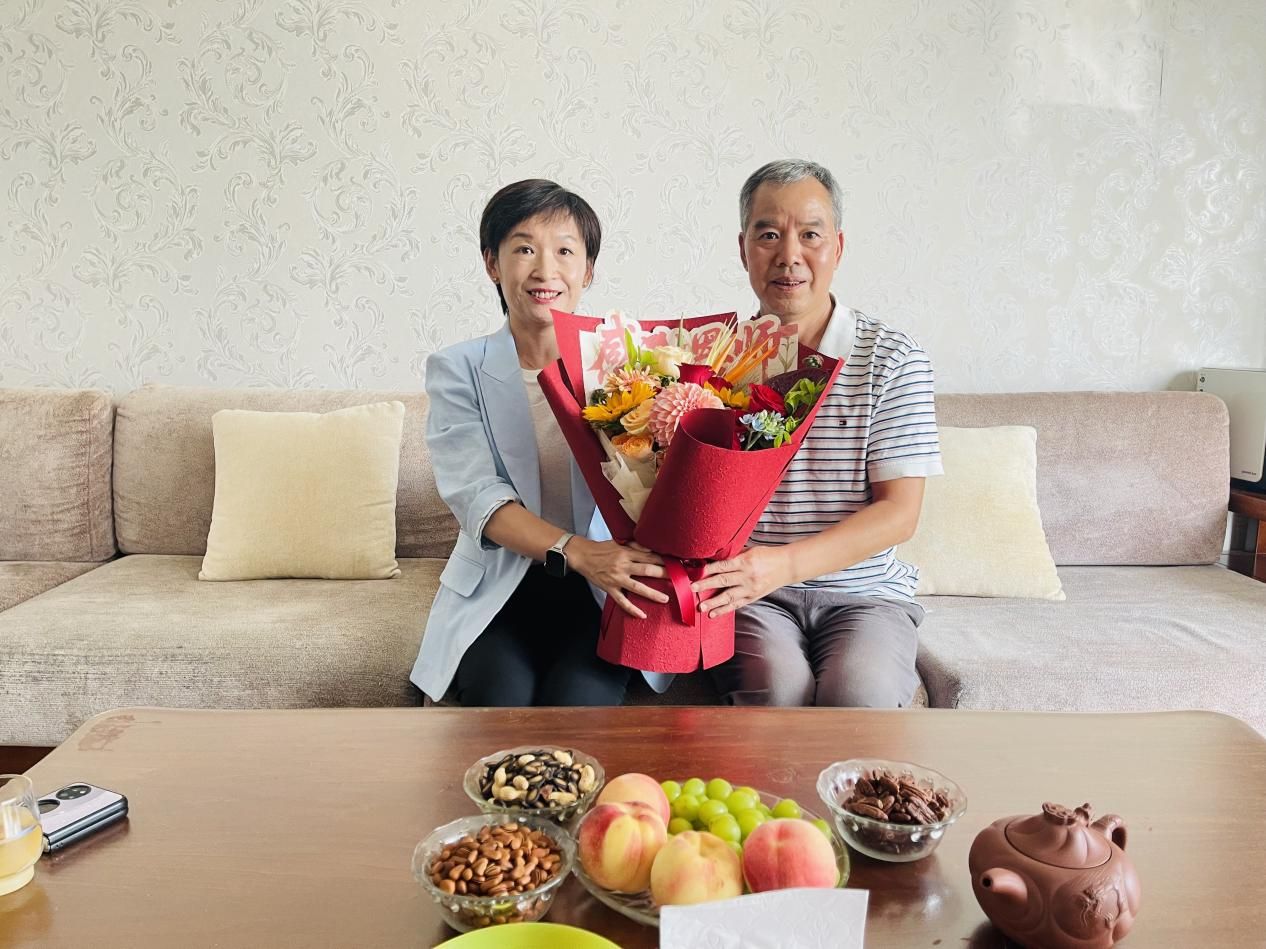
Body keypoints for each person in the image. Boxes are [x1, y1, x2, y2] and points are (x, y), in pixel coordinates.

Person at [409, 179, 667, 706]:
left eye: (565, 251)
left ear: (588, 271)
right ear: (492, 264)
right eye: (524, 249)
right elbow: (478, 498)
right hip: (503, 582)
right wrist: (578, 552)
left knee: (579, 707)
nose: (545, 269)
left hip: (601, 588)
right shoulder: (457, 369)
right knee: (500, 704)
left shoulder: (628, 366)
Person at [696, 159, 943, 707]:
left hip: (865, 594)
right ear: (743, 248)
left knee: (860, 695)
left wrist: (783, 564)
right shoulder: (712, 359)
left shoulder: (891, 357)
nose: (789, 255)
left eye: (810, 235)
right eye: (768, 235)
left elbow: (899, 513)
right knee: (778, 690)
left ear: (838, 246)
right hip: (751, 595)